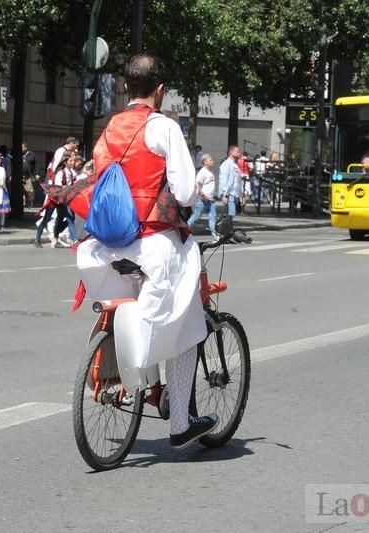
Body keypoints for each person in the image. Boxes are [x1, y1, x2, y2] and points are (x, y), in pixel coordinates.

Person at [71, 54, 218, 449]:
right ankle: (181, 424)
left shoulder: (111, 128)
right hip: (152, 242)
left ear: (124, 88)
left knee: (128, 304)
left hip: (104, 247)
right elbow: (186, 192)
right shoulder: (163, 127)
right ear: (160, 90)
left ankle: (118, 375)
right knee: (186, 324)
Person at [186, 153, 218, 240]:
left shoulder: (210, 172)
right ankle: (185, 229)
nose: (212, 161)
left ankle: (215, 235)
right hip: (202, 200)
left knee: (213, 216)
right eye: (210, 160)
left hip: (210, 200)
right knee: (196, 216)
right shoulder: (203, 172)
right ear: (205, 162)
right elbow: (197, 183)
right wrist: (202, 194)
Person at [219, 144, 243, 220]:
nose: (239, 153)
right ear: (232, 152)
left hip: (236, 194)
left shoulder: (235, 165)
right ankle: (225, 229)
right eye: (238, 152)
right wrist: (224, 195)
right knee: (231, 213)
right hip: (229, 194)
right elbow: (223, 180)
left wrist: (241, 195)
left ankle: (223, 228)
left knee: (229, 214)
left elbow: (238, 181)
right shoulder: (226, 164)